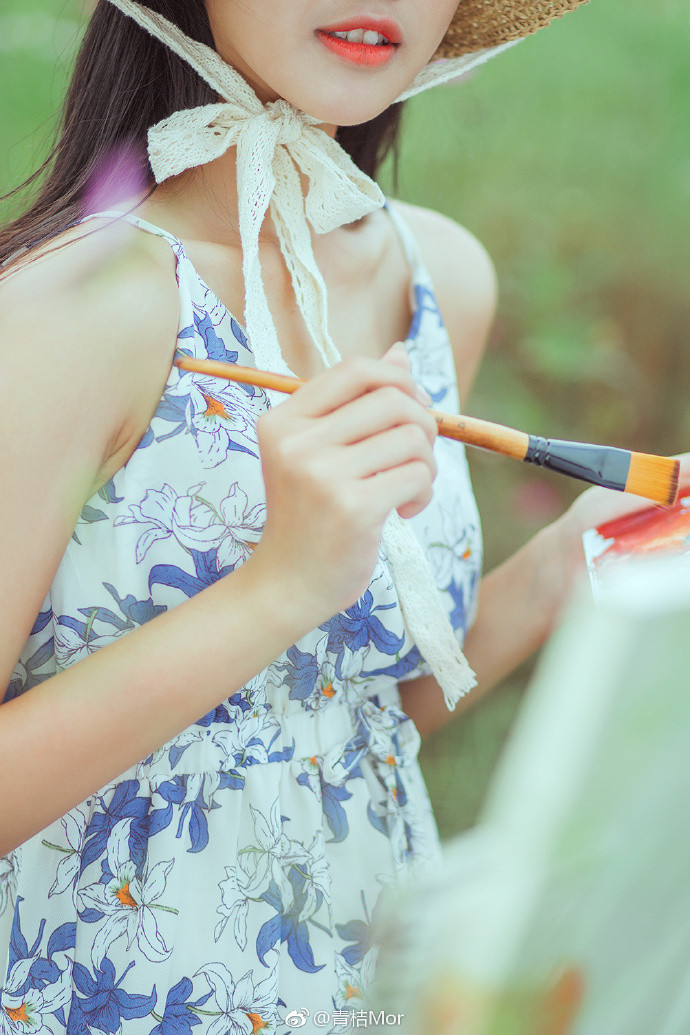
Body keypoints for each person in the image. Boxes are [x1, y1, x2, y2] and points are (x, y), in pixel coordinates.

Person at [0, 1, 684, 1031]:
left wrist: (562, 566)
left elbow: (340, 726)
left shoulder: (437, 276)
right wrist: (279, 586)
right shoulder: (74, 309)